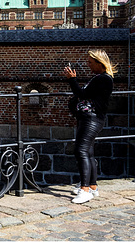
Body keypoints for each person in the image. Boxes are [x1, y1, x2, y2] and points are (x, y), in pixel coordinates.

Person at [63, 49, 114, 204]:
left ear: (100, 63)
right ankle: (92, 186)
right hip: (92, 118)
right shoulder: (101, 78)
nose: (88, 65)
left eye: (90, 62)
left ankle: (85, 190)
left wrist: (72, 79)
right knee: (89, 152)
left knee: (81, 150)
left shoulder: (103, 79)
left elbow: (82, 94)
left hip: (91, 119)